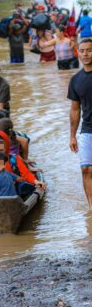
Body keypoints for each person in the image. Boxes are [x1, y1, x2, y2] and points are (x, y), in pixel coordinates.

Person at [68, 38, 92, 206]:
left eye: (89, 50)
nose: (85, 54)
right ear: (77, 53)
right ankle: (91, 207)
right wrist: (72, 136)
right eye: (82, 50)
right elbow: (75, 109)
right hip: (87, 129)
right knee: (86, 169)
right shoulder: (75, 80)